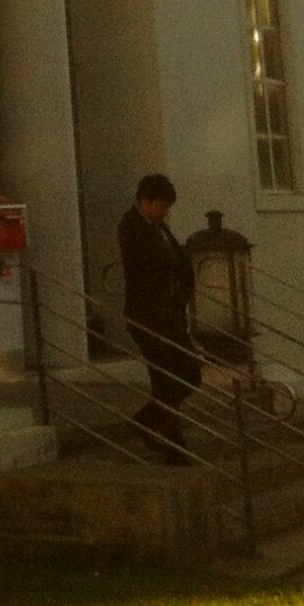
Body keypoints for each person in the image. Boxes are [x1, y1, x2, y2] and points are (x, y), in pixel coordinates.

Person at [117, 172, 201, 464]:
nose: (165, 212)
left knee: (188, 373)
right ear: (145, 201)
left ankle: (151, 425)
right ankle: (169, 443)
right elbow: (147, 269)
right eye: (162, 206)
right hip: (148, 318)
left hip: (170, 316)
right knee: (168, 378)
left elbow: (179, 261)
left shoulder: (160, 228)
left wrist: (182, 294)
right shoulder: (132, 226)